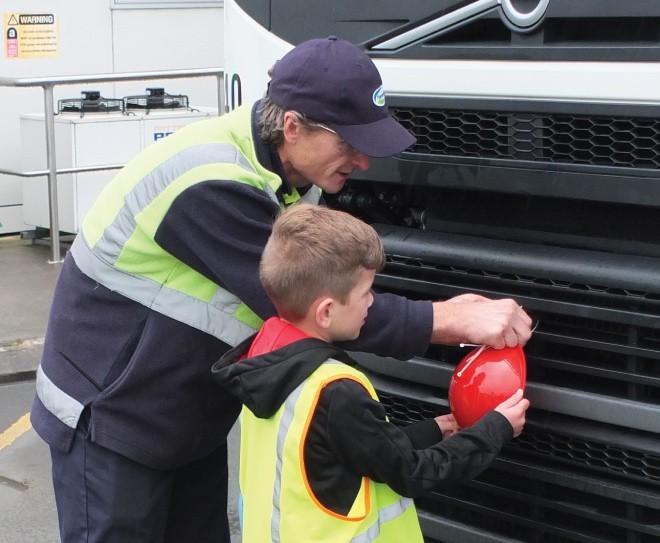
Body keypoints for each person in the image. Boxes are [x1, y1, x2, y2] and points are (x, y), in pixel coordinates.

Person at [30, 35, 533, 542]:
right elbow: (321, 303)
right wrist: (447, 320)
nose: (362, 162)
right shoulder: (212, 183)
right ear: (291, 126)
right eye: (349, 144)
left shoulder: (291, 178)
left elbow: (336, 289)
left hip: (185, 414)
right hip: (113, 415)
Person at [212, 203, 530, 543]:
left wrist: (435, 429)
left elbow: (366, 450)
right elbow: (411, 472)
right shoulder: (335, 390)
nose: (371, 303)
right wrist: (494, 430)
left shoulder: (265, 358)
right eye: (365, 294)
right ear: (326, 311)